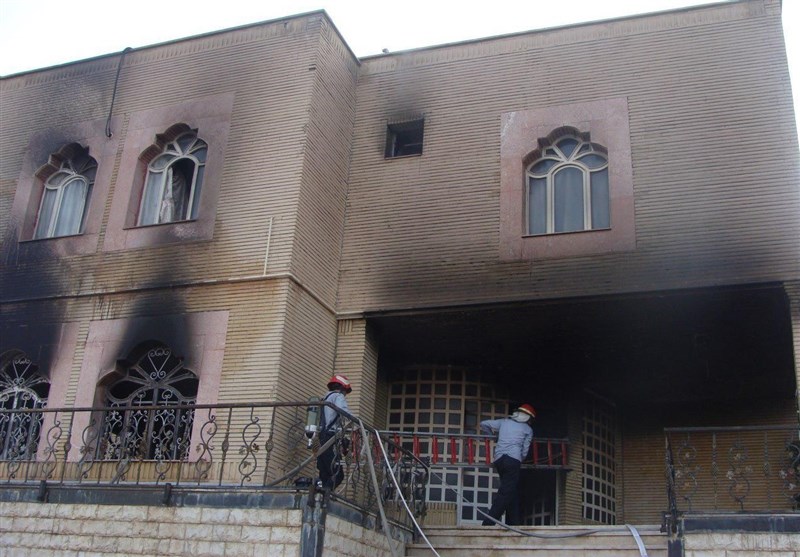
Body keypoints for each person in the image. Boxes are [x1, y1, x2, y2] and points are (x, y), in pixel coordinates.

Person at [479, 403, 536, 526]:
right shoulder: (528, 429)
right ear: (528, 418)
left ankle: (514, 523)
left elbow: (484, 424)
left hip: (499, 459)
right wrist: (520, 459)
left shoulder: (504, 422)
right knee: (505, 492)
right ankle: (488, 523)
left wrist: (492, 437)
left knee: (511, 490)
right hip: (513, 460)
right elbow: (525, 450)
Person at [316, 374, 352, 490]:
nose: (345, 395)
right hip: (330, 437)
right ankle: (325, 495)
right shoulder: (338, 396)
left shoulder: (325, 398)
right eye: (345, 391)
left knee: (325, 473)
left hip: (321, 437)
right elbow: (343, 411)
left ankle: (321, 495)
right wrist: (357, 422)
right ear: (342, 388)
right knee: (338, 474)